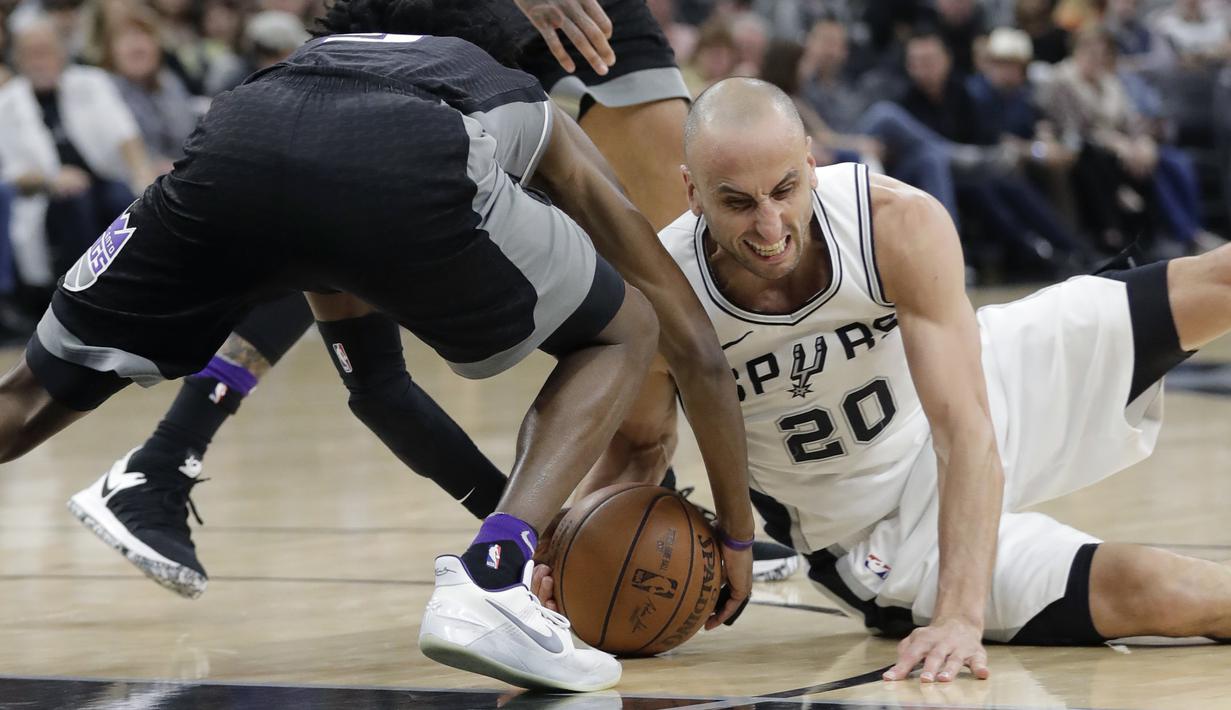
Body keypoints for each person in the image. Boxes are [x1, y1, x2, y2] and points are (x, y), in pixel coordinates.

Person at [0, 4, 757, 692]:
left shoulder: (303, 71)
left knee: (27, 398)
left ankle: (500, 560)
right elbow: (696, 349)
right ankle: (493, 579)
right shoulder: (508, 88)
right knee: (628, 328)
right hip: (415, 148)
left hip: (234, 140)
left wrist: (517, 515)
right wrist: (734, 536)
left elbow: (379, 390)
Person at [565, 76, 1231, 683]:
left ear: (810, 161)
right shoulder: (660, 291)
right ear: (691, 191)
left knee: (1215, 283)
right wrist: (567, 559)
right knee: (1169, 595)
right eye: (736, 203)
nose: (768, 227)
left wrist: (960, 617)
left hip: (972, 387)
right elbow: (640, 450)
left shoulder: (893, 222)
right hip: (873, 533)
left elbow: (964, 428)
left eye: (783, 191)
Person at [0, 20, 156, 296]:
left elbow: (126, 135)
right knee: (76, 200)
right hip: (49, 198)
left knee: (126, 199)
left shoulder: (91, 82)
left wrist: (142, 174)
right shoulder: (7, 103)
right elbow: (12, 174)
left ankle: (139, 288)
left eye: (45, 51)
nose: (40, 62)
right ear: (18, 59)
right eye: (30, 54)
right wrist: (51, 179)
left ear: (61, 53)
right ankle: (85, 295)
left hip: (103, 180)